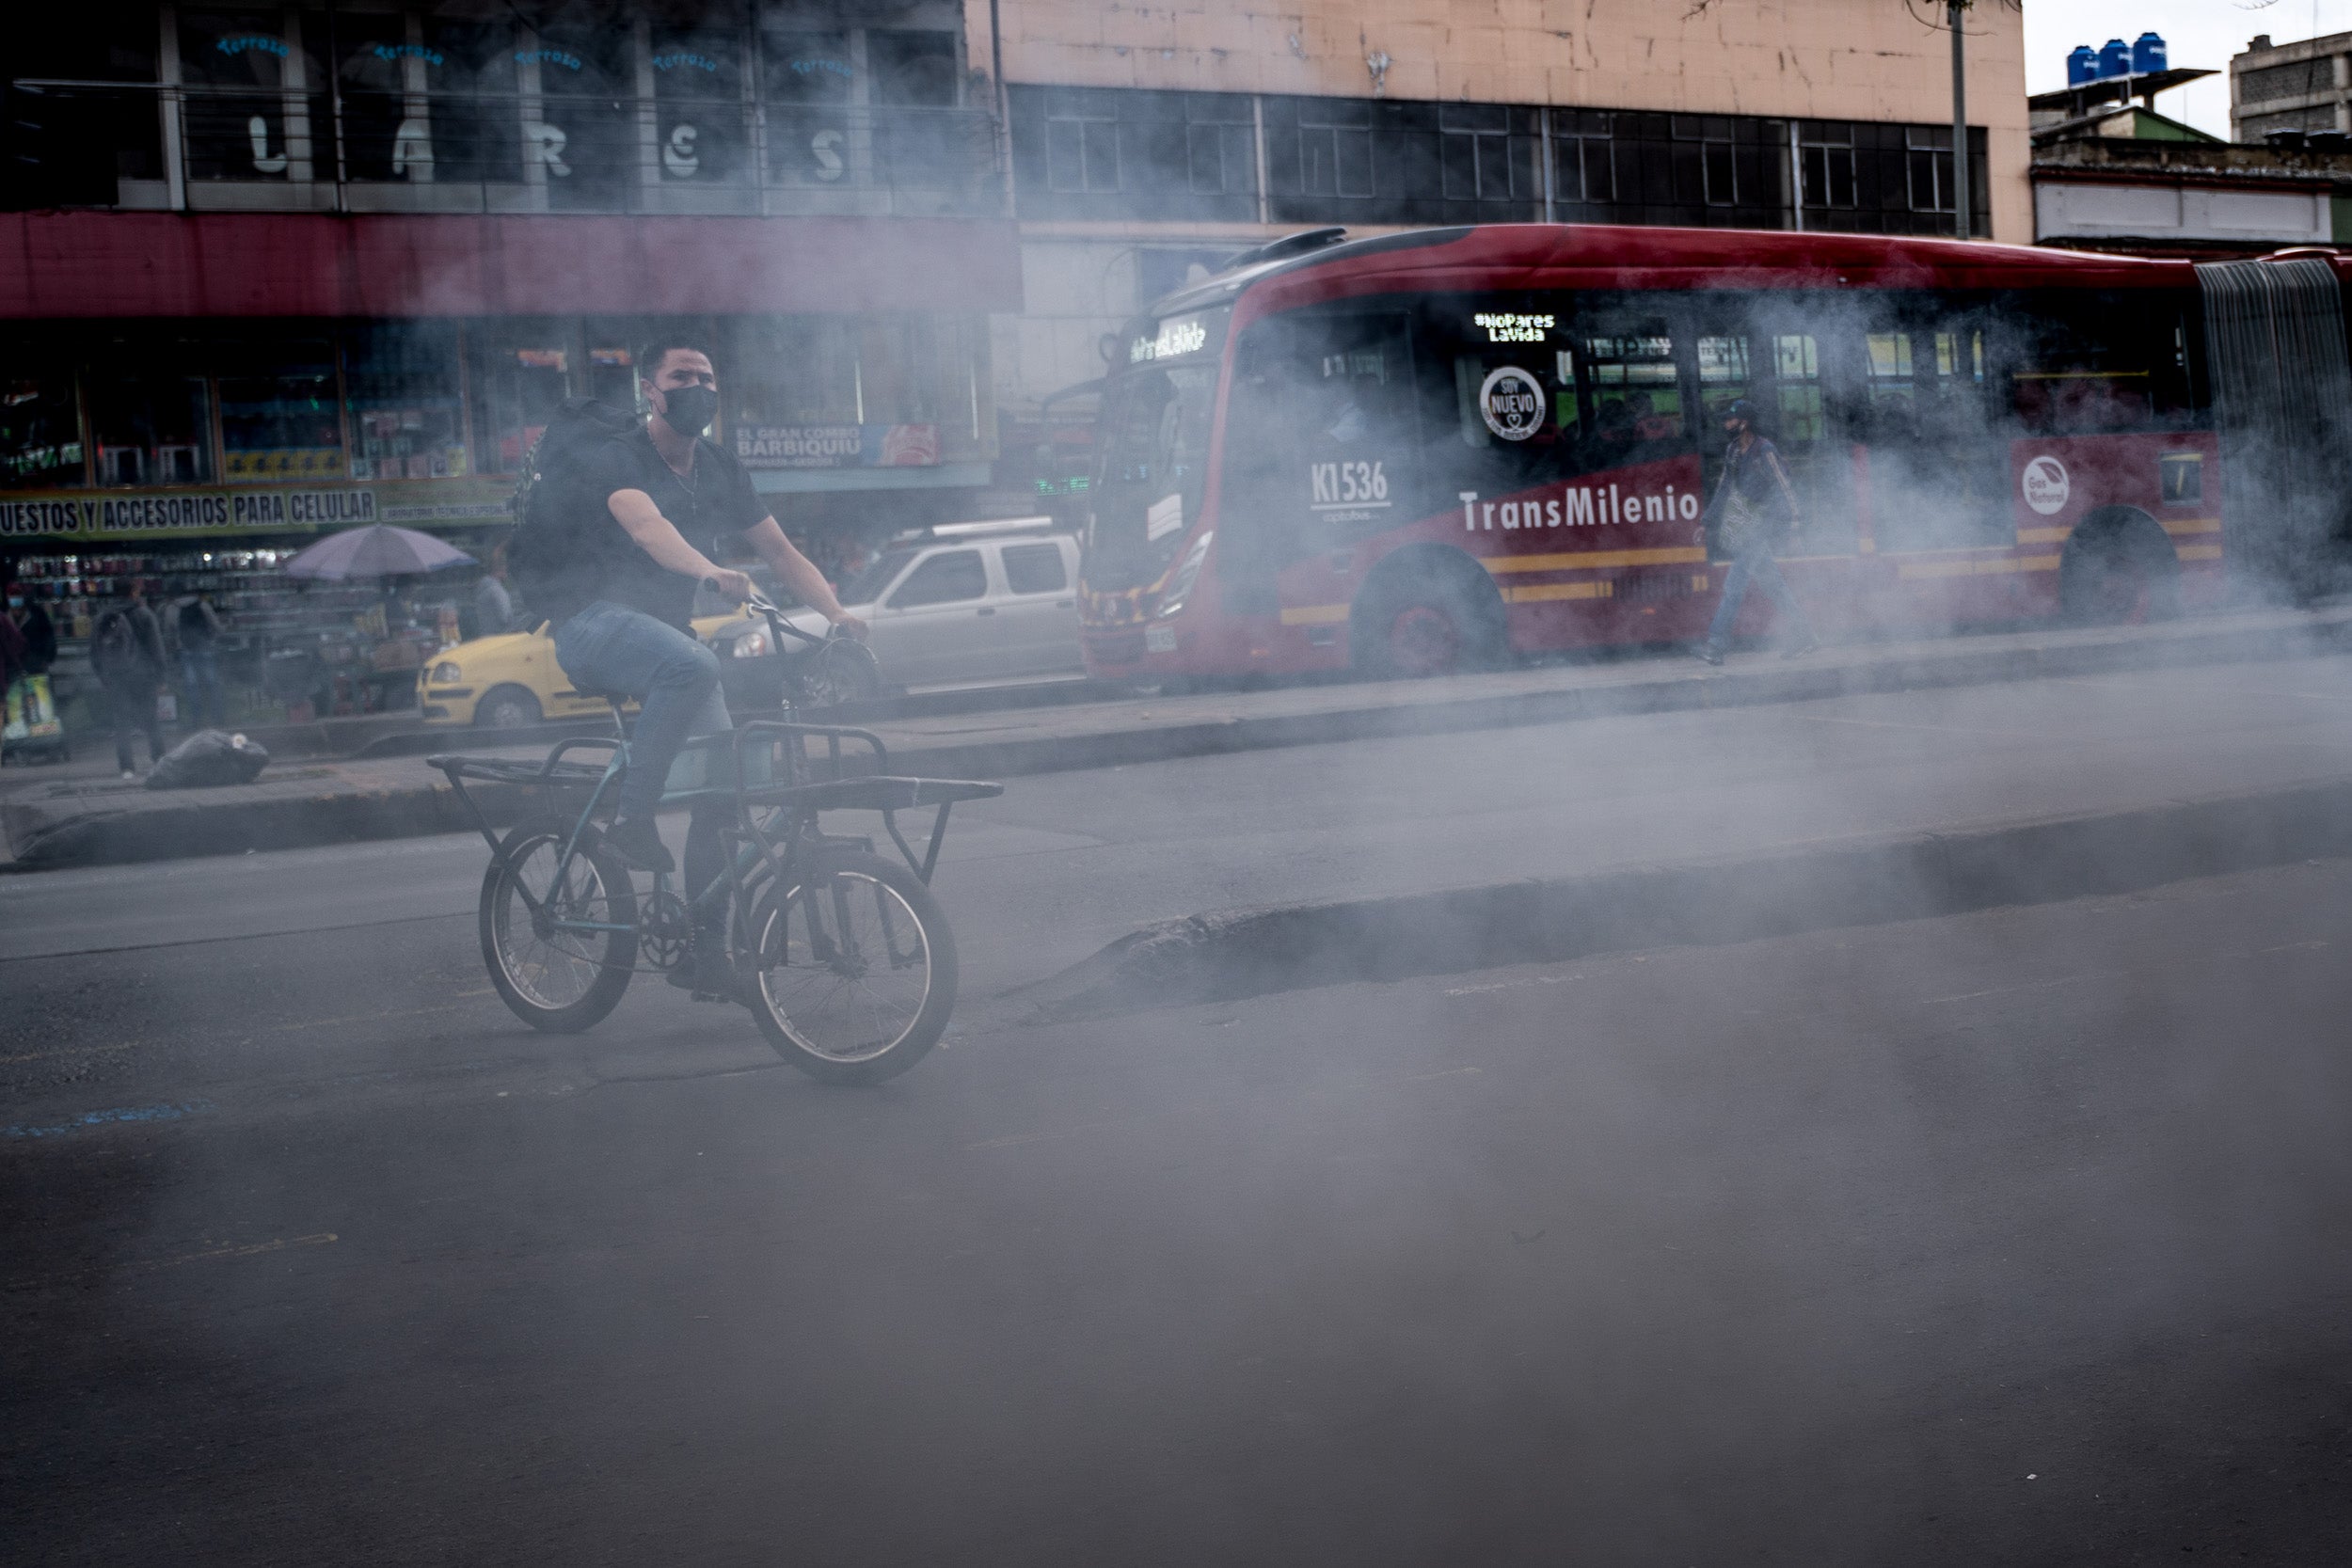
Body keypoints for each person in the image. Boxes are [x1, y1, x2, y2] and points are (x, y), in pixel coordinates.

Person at [551, 337, 867, 994]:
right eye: (682, 375)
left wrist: (837, 615)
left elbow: (780, 550)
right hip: (589, 622)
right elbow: (646, 528)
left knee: (724, 789)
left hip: (664, 639)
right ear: (651, 389)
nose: (698, 386)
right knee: (695, 665)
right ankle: (632, 821)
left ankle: (703, 950)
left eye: (707, 375)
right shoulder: (621, 455)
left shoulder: (720, 466)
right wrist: (709, 568)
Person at [1693, 399, 1819, 666]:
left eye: (1729, 420)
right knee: (1775, 586)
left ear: (1744, 422)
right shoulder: (1733, 451)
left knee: (1733, 586)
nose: (1725, 424)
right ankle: (1806, 635)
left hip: (1763, 526)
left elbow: (1785, 488)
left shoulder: (1765, 450)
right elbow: (1725, 487)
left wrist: (1795, 528)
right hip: (1747, 525)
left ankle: (1715, 646)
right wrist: (1707, 521)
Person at [92, 586, 169, 777]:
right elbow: (156, 645)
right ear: (133, 593)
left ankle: (127, 767)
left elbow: (94, 650)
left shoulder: (102, 618)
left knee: (121, 723)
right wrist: (161, 675)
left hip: (116, 677)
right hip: (144, 676)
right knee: (151, 719)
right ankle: (159, 761)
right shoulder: (144, 614)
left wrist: (102, 675)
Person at [176, 592, 228, 728]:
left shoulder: (173, 608)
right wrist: (218, 635)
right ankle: (218, 718)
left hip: (186, 651)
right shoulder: (202, 605)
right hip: (205, 648)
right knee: (212, 684)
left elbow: (171, 630)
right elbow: (215, 625)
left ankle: (196, 720)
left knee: (192, 686)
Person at [473, 543, 522, 637]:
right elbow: (505, 617)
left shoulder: (482, 588)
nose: (507, 573)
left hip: (484, 636)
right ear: (501, 569)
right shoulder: (497, 591)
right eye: (506, 569)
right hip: (500, 638)